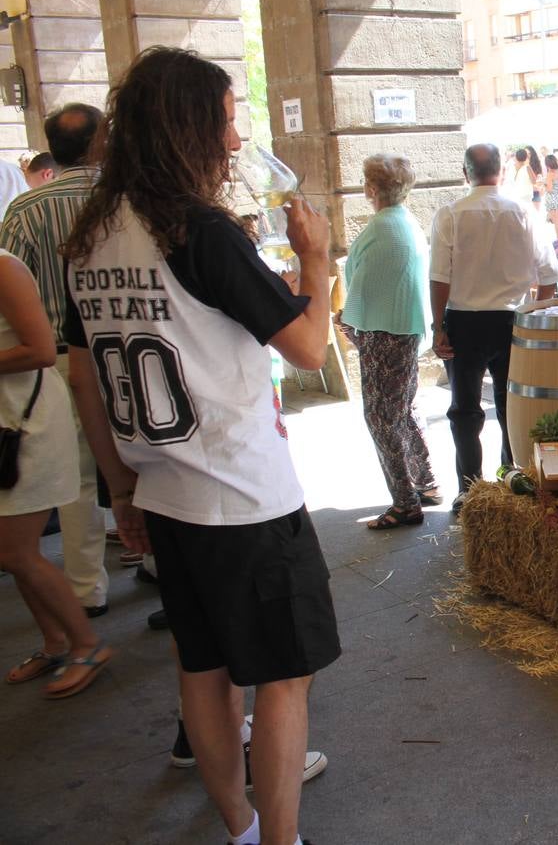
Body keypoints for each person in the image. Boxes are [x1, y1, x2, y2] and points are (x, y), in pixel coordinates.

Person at [61, 46, 339, 845]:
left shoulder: (92, 240)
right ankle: (282, 840)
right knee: (285, 677)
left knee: (203, 671)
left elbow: (86, 380)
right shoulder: (200, 231)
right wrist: (315, 259)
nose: (231, 141)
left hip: (164, 493)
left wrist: (120, 493)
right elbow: (311, 348)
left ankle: (242, 830)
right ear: (187, 129)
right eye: (224, 122)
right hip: (245, 493)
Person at [0, 104, 120, 618]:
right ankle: (159, 561)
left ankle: (86, 589)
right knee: (146, 461)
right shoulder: (125, 199)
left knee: (79, 481)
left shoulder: (25, 211)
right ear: (99, 143)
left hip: (56, 361)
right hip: (127, 354)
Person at [0, 246, 111, 698]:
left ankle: (86, 643)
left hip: (25, 428)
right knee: (10, 550)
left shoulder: (4, 267)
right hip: (8, 423)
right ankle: (56, 641)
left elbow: (42, 349)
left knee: (15, 551)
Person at [429, 143, 558, 514]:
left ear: (465, 172)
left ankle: (469, 489)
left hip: (464, 320)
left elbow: (439, 277)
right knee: (511, 405)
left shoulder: (450, 215)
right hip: (511, 320)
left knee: (464, 410)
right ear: (501, 172)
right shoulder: (523, 212)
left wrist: (438, 326)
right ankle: (510, 477)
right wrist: (534, 314)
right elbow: (549, 275)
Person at [336, 153, 440, 530]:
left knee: (381, 417)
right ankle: (426, 482)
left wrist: (346, 321)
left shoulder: (382, 229)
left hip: (384, 332)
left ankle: (405, 502)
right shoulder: (405, 221)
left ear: (372, 188)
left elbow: (365, 286)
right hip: (405, 328)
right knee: (405, 408)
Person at [542, 153, 558, 240]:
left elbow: (549, 189)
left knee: (557, 220)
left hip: (552, 197)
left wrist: (544, 183)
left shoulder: (550, 173)